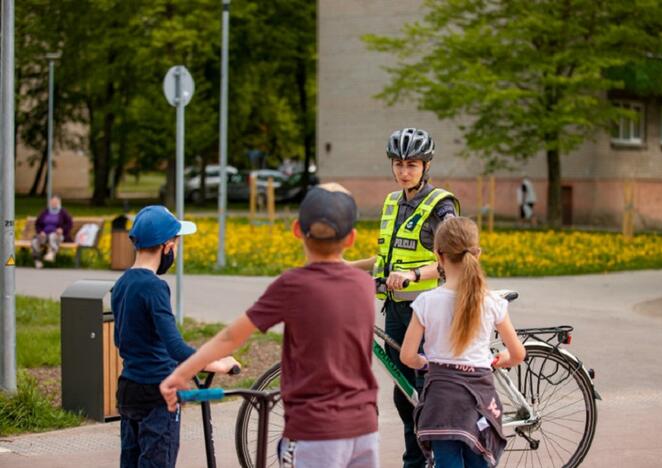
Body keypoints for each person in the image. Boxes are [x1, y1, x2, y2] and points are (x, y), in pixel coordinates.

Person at [160, 184, 380, 468]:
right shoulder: (363, 284)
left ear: (296, 230)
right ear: (351, 239)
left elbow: (231, 337)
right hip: (364, 427)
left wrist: (181, 373)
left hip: (315, 429)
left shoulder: (293, 285)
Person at [347, 128, 459, 468]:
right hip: (396, 309)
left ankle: (436, 458)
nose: (403, 171)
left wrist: (412, 276)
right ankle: (415, 460)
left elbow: (453, 257)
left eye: (411, 164)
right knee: (403, 391)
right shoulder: (393, 202)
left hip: (428, 312)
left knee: (425, 393)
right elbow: (385, 260)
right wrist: (341, 266)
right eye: (398, 163)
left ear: (426, 166)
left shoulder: (440, 206)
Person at [112, 205, 238, 468]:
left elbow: (121, 340)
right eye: (177, 245)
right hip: (158, 393)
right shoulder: (155, 287)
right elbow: (175, 347)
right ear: (167, 246)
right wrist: (218, 363)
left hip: (129, 389)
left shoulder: (122, 283)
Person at [400, 217, 526, 467]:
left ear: (438, 255)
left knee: (447, 462)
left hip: (441, 403)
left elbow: (407, 356)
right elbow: (518, 354)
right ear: (476, 253)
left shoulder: (426, 302)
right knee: (479, 460)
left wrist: (425, 362)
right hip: (479, 400)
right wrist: (501, 360)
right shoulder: (492, 302)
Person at [31, 195, 72, 268]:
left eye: (56, 202)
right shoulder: (45, 211)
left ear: (59, 203)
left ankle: (52, 253)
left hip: (57, 235)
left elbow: (69, 223)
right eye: (52, 202)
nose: (54, 203)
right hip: (45, 235)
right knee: (35, 241)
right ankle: (37, 260)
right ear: (50, 202)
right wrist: (41, 232)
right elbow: (37, 224)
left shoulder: (63, 212)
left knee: (52, 236)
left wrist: (62, 229)